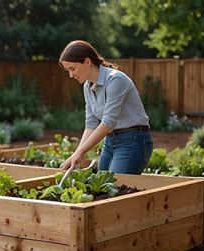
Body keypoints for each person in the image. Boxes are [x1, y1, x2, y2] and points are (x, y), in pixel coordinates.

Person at [59, 40, 153, 175]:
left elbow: (108, 123)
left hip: (133, 140)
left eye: (72, 69)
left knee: (115, 188)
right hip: (110, 141)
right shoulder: (87, 86)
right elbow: (91, 124)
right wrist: (77, 154)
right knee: (102, 185)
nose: (71, 75)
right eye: (68, 70)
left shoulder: (115, 80)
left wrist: (81, 152)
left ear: (87, 62)